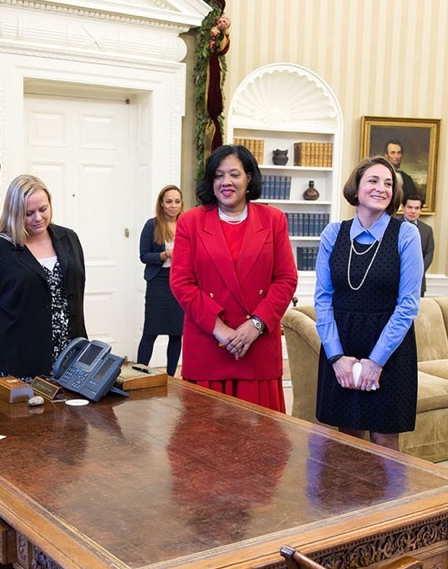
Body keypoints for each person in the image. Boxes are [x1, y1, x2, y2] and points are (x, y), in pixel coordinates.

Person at [170, 144, 298, 412]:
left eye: (234, 174)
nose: (226, 182)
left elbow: (285, 279)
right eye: (218, 175)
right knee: (204, 445)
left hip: (257, 345)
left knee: (260, 444)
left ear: (249, 177)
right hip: (209, 343)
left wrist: (256, 325)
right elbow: (181, 282)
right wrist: (222, 330)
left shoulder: (273, 219)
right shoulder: (190, 222)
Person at [314, 156, 422, 451]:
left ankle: (394, 501)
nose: (382, 188)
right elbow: (323, 299)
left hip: (391, 350)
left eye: (388, 183)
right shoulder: (333, 234)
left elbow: (408, 305)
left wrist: (376, 361)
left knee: (384, 439)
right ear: (357, 187)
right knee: (347, 438)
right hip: (342, 344)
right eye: (373, 181)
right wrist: (336, 357)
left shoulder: (406, 234)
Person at [0, 174, 87, 379]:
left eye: (43, 209)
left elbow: (77, 290)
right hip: (19, 359)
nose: (38, 218)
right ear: (14, 212)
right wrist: (2, 339)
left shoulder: (69, 238)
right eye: (28, 213)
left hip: (70, 355)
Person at [136, 185, 185, 375]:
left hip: (179, 282)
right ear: (162, 204)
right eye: (169, 201)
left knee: (176, 333)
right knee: (150, 331)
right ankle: (139, 374)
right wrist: (165, 254)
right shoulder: (152, 225)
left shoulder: (186, 224)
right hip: (158, 282)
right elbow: (144, 256)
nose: (173, 205)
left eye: (177, 201)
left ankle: (171, 377)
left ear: (181, 204)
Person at [397, 193, 434, 296]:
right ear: (403, 208)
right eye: (410, 207)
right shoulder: (392, 226)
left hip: (418, 282)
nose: (413, 211)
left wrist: (415, 271)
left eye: (417, 208)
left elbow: (429, 254)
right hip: (395, 280)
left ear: (421, 210)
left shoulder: (427, 230)